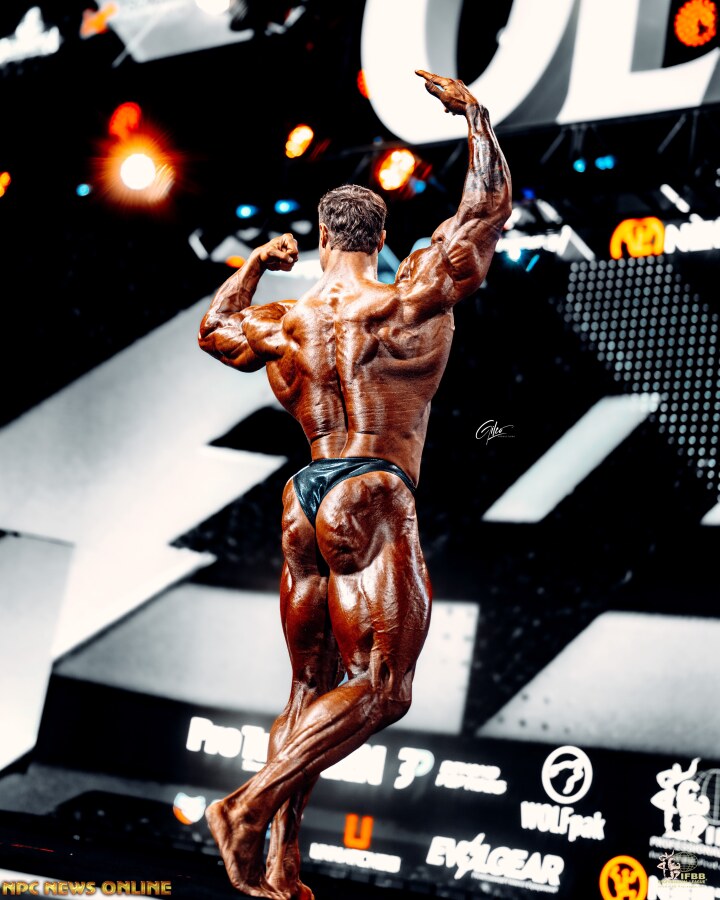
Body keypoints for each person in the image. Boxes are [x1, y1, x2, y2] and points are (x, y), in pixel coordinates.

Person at [197, 69, 511, 900]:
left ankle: (280, 864)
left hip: (303, 498)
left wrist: (256, 263)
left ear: (322, 235)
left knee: (309, 689)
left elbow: (215, 331)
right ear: (382, 237)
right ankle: (245, 808)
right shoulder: (405, 300)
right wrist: (477, 119)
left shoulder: (286, 322)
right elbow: (484, 213)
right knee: (382, 688)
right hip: (370, 488)